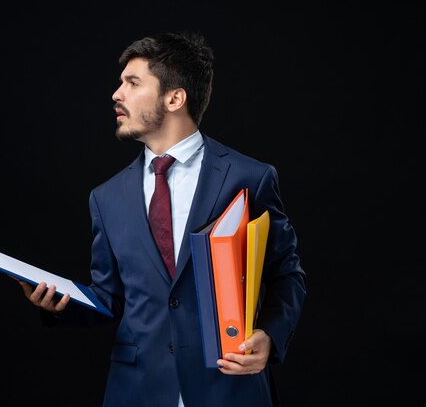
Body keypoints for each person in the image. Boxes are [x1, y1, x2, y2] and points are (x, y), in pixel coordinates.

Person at [17, 30, 307, 407]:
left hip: (230, 389)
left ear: (174, 97)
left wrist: (269, 336)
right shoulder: (106, 198)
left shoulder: (248, 177)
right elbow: (111, 298)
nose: (116, 94)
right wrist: (58, 306)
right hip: (137, 390)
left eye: (132, 82)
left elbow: (288, 276)